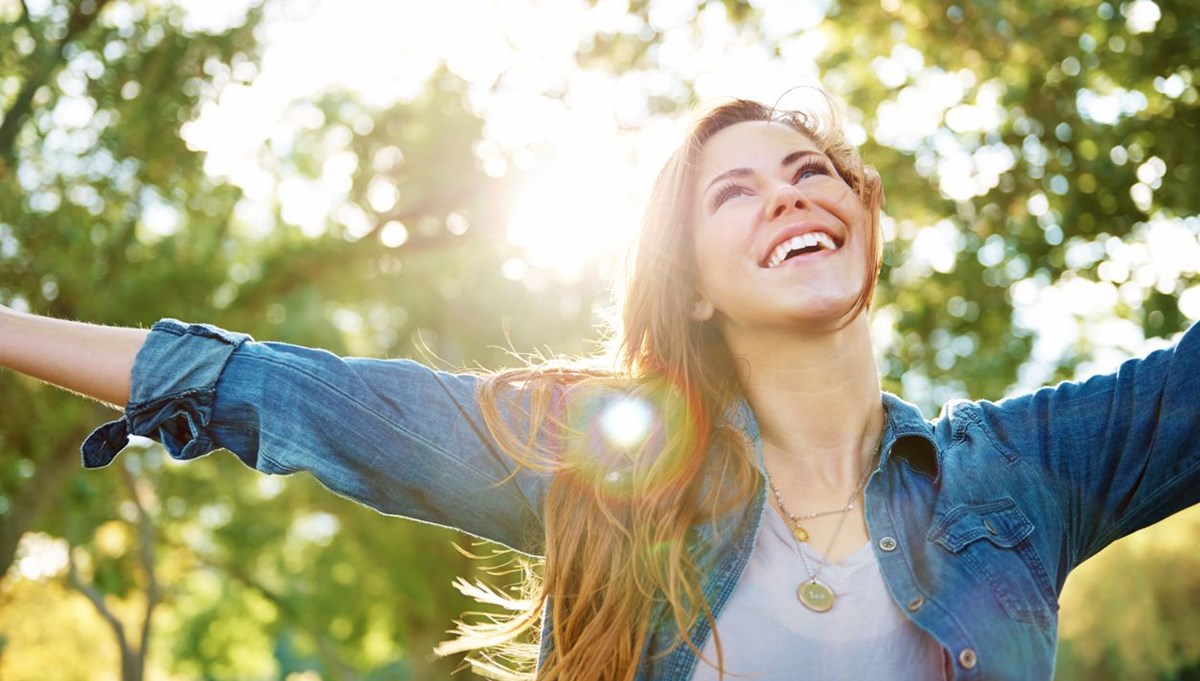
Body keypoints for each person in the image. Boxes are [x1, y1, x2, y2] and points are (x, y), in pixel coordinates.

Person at [2, 96, 1197, 681]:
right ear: (691, 291)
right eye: (734, 192)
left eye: (810, 169)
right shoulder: (606, 460)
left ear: (862, 223)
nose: (789, 193)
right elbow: (284, 389)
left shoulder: (1025, 475)